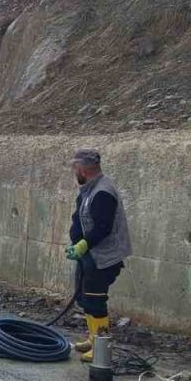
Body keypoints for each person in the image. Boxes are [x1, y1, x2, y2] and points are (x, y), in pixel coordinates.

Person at [66, 149, 132, 362]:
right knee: (85, 297)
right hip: (90, 254)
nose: (74, 172)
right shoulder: (88, 190)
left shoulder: (103, 192)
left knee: (96, 300)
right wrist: (76, 243)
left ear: (83, 170)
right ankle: (93, 338)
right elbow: (79, 217)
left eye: (75, 168)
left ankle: (101, 345)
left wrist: (84, 244)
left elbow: (103, 227)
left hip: (104, 257)